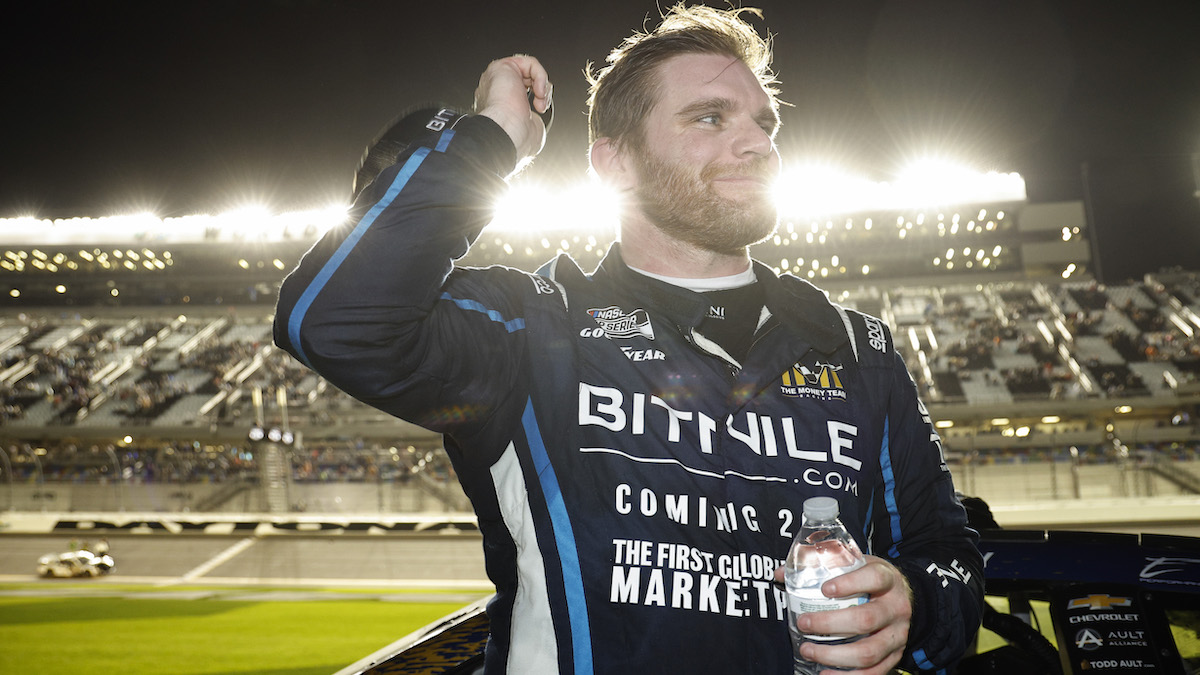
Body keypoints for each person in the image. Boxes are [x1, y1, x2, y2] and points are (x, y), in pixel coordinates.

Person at [274, 4, 983, 673]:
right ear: (615, 163)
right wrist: (492, 137)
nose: (758, 143)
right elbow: (333, 318)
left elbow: (947, 554)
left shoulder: (858, 350)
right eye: (710, 117)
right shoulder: (531, 329)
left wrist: (913, 603)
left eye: (764, 123)